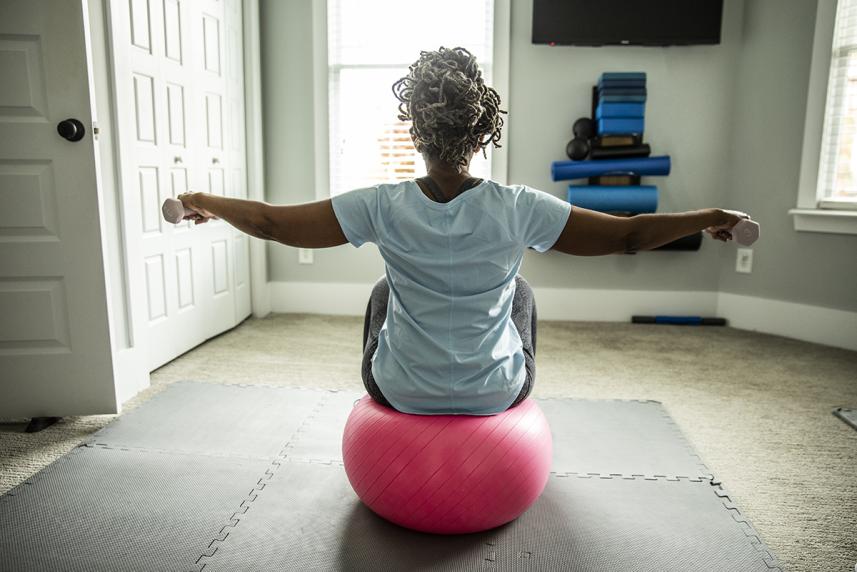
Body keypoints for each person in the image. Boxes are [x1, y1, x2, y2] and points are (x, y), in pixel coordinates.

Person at [177, 47, 750, 416]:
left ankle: (399, 384)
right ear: (482, 137)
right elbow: (628, 235)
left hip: (398, 393)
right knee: (520, 291)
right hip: (496, 393)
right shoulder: (519, 206)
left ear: (416, 134)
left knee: (382, 291)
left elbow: (273, 223)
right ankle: (495, 387)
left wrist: (203, 200)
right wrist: (709, 217)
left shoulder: (380, 203)